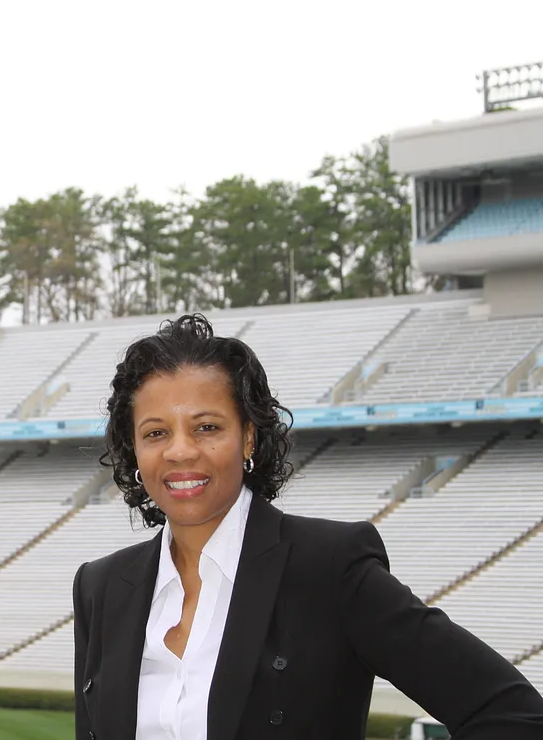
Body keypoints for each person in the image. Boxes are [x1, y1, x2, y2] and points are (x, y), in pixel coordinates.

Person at [73, 314, 543, 740]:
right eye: (156, 433)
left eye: (207, 427)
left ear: (249, 436)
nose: (180, 451)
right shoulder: (101, 586)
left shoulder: (328, 566)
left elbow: (510, 713)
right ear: (134, 451)